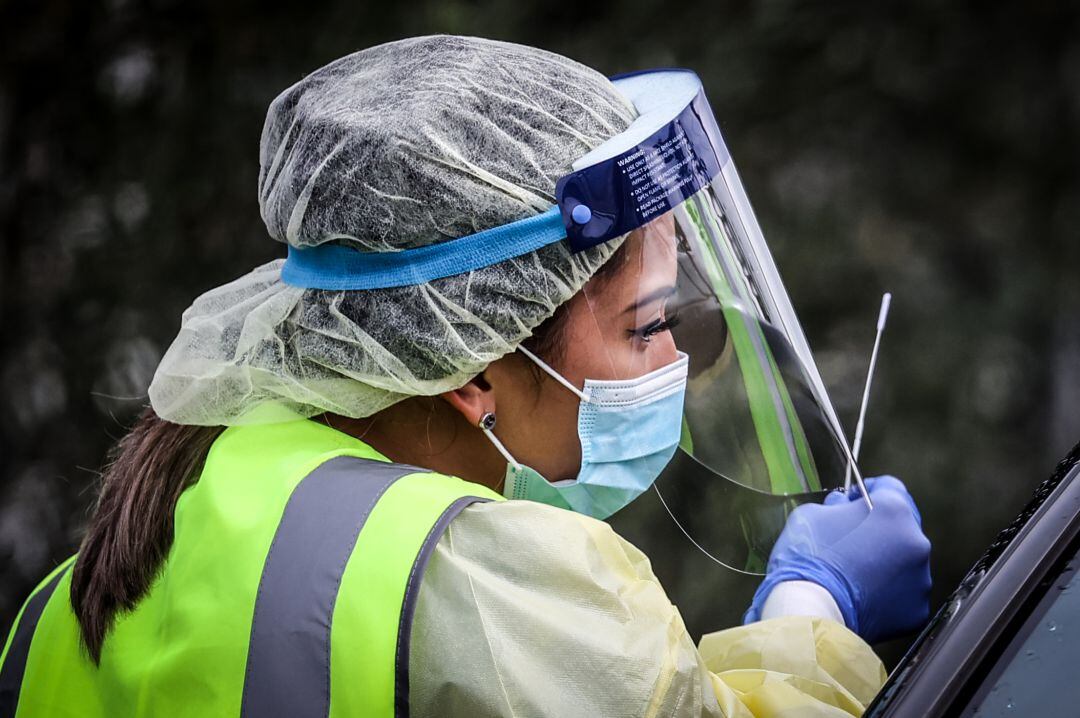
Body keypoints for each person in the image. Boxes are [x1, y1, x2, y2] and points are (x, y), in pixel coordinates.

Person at [0, 35, 931, 717]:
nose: (682, 357)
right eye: (647, 326)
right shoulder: (476, 577)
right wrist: (823, 607)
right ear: (476, 364)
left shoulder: (62, 606)